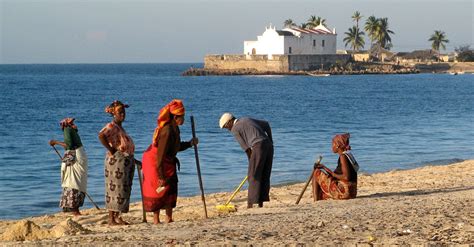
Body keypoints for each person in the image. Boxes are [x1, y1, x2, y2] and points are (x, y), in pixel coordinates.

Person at [142, 99, 198, 224]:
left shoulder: (175, 129)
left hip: (167, 160)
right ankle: (156, 219)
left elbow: (175, 147)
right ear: (175, 117)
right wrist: (161, 175)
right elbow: (160, 156)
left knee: (171, 187)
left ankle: (169, 217)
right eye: (182, 116)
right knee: (158, 188)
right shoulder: (167, 131)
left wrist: (190, 143)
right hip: (155, 161)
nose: (183, 118)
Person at [219, 112, 273, 208]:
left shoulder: (235, 129)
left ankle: (251, 203)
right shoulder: (246, 119)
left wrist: (251, 163)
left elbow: (247, 149)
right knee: (264, 173)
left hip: (258, 146)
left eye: (226, 127)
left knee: (252, 176)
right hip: (268, 145)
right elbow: (266, 124)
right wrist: (271, 141)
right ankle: (261, 202)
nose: (227, 129)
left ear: (229, 122)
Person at [98, 100, 137, 225]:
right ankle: (111, 219)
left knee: (123, 190)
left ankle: (118, 216)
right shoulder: (112, 126)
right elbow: (101, 135)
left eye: (124, 112)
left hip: (124, 161)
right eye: (120, 112)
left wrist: (134, 160)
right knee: (114, 190)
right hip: (116, 162)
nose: (123, 115)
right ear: (114, 114)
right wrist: (111, 150)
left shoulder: (120, 127)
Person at [49, 118, 88, 216]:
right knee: (76, 180)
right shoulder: (73, 130)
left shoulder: (67, 130)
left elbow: (69, 145)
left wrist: (55, 142)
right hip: (80, 154)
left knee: (71, 180)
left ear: (63, 125)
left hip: (74, 154)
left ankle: (74, 209)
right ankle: (75, 208)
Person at [312, 133, 359, 201]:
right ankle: (319, 198)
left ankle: (315, 201)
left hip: (345, 191)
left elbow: (346, 177)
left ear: (338, 145)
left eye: (333, 144)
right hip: (352, 192)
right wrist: (325, 169)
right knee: (322, 194)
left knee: (316, 173)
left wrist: (326, 169)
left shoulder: (343, 157)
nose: (332, 146)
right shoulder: (349, 155)